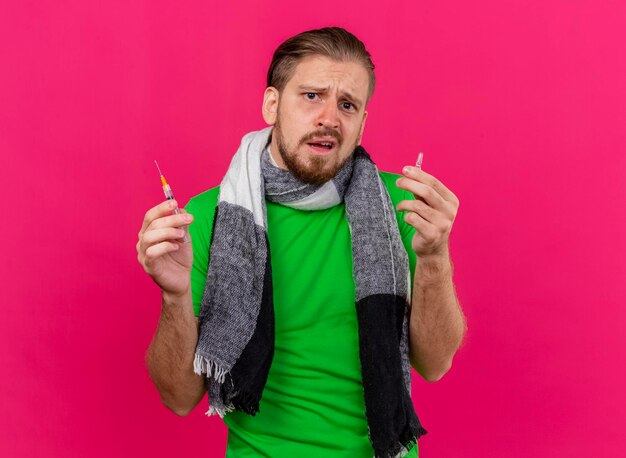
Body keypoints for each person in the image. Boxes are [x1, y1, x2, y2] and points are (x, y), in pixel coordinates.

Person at [137, 27, 466, 458]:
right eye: (312, 96)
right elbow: (178, 398)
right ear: (272, 105)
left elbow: (436, 363)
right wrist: (174, 295)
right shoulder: (206, 218)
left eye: (347, 105)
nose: (330, 117)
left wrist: (436, 255)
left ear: (362, 123)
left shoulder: (403, 208)